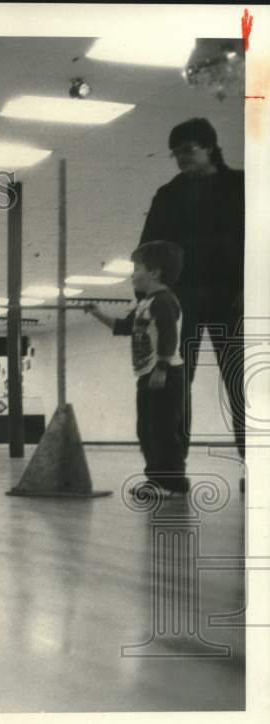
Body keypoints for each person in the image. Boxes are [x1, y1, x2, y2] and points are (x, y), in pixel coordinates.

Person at [139, 118, 245, 475]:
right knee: (171, 384)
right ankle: (167, 474)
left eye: (188, 150)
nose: (181, 158)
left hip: (232, 297)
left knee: (243, 381)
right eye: (176, 153)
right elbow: (149, 250)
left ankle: (260, 468)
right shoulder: (168, 195)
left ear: (210, 147)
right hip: (180, 300)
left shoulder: (242, 187)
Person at [86, 241, 189, 497]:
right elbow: (123, 328)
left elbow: (168, 335)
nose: (133, 274)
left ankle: (172, 484)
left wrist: (162, 368)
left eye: (137, 268)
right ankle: (156, 480)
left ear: (154, 272)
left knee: (164, 430)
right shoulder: (145, 302)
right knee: (147, 430)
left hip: (166, 375)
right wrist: (96, 313)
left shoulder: (164, 301)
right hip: (148, 375)